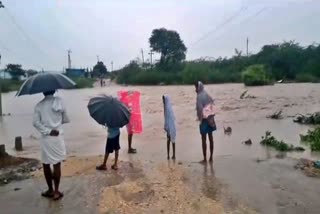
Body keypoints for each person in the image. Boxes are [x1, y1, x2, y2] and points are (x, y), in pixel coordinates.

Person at [33, 90, 70, 200]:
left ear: (43, 92)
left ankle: (50, 189)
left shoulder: (39, 106)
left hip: (46, 139)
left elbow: (35, 123)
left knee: (46, 164)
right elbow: (66, 119)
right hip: (58, 137)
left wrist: (48, 131)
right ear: (54, 90)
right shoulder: (60, 102)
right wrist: (56, 123)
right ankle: (57, 191)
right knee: (56, 164)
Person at [195, 81, 215, 163]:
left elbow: (199, 109)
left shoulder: (199, 96)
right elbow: (212, 104)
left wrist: (199, 118)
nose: (195, 89)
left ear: (198, 87)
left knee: (203, 139)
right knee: (210, 138)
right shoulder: (207, 94)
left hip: (204, 120)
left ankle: (205, 159)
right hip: (210, 118)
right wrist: (210, 115)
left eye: (196, 87)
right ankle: (211, 158)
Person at [163, 95, 176, 160]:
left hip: (170, 126)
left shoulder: (167, 108)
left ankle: (171, 155)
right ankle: (172, 155)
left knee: (170, 140)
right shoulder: (168, 107)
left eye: (163, 100)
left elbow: (168, 119)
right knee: (171, 140)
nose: (163, 102)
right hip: (170, 126)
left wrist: (166, 127)